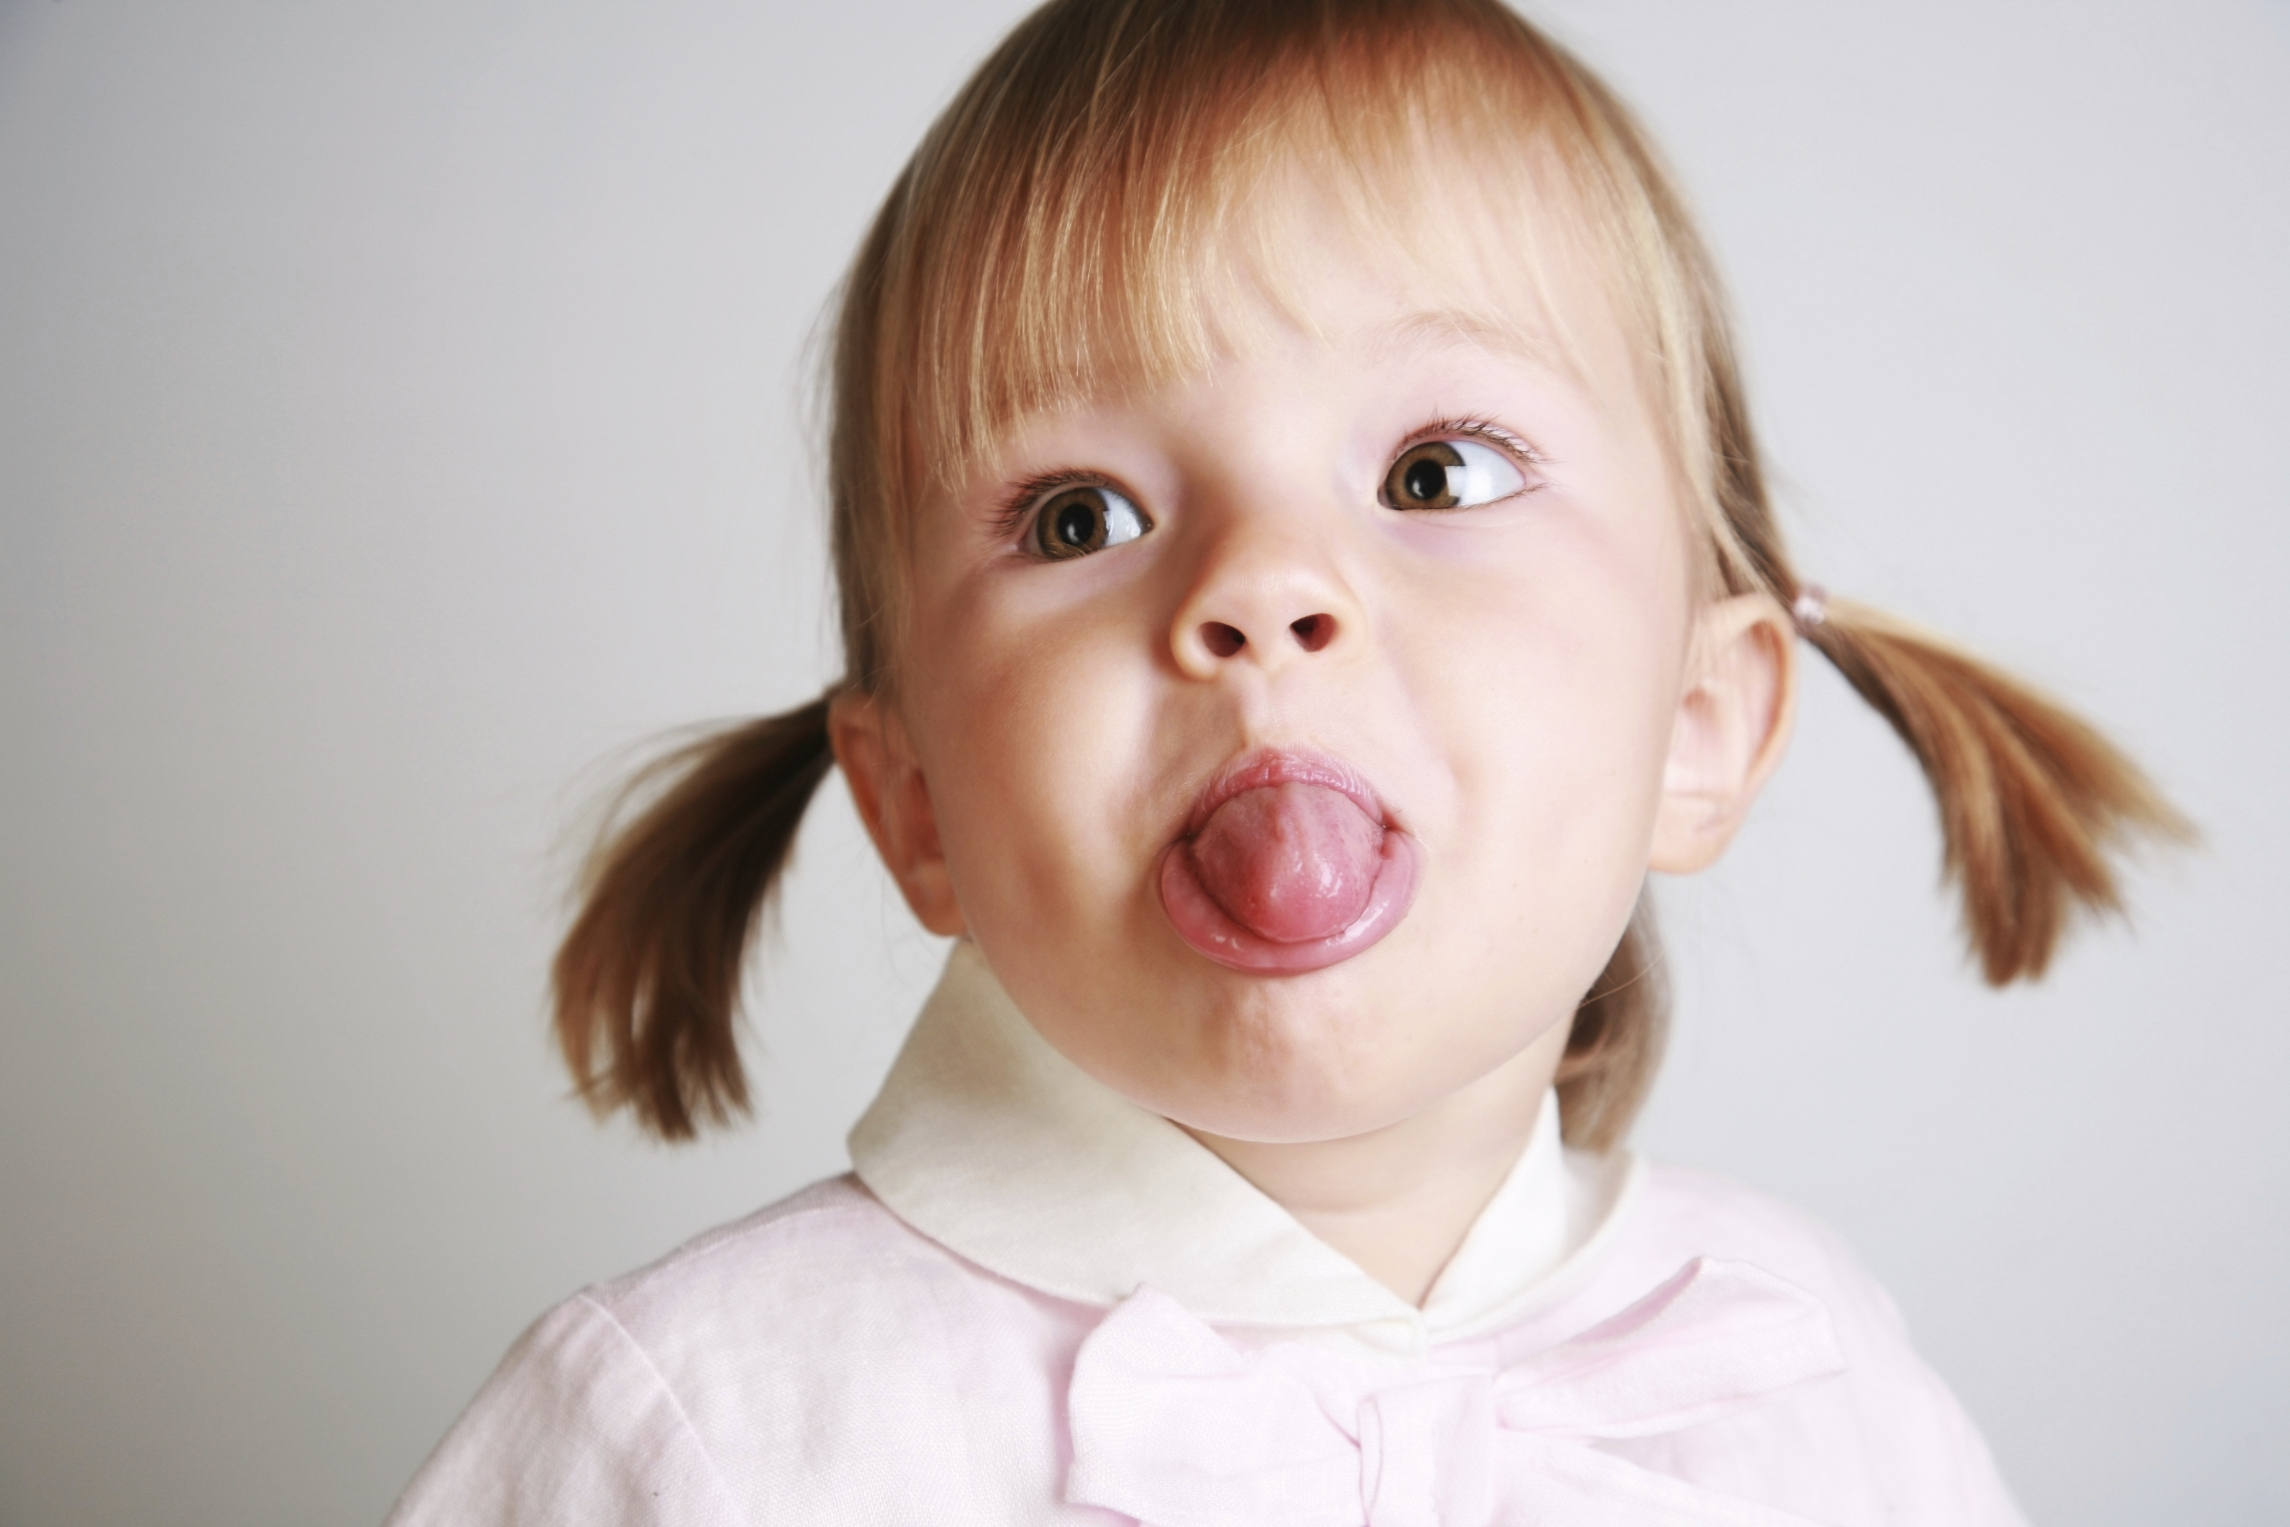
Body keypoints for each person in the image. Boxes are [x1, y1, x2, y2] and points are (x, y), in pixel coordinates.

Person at [386, 1, 2184, 1521]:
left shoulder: (1804, 1375)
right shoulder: (703, 1436)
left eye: (1436, 475)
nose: (1260, 592)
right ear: (914, 801)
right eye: (1080, 515)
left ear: (1696, 729)